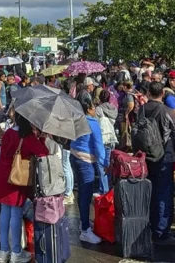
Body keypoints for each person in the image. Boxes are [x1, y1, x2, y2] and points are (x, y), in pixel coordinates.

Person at [0, 112, 48, 263]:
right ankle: (16, 251)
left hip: (2, 176)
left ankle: (3, 252)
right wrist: (42, 137)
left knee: (4, 213)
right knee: (15, 214)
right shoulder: (28, 137)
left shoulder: (9, 132)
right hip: (16, 179)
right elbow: (43, 153)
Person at [143, 82, 175, 244]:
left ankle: (153, 225)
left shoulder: (142, 109)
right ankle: (161, 230)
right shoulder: (166, 111)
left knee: (151, 190)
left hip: (146, 155)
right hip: (164, 156)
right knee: (164, 193)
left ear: (149, 92)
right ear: (162, 94)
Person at [71, 99, 106, 244]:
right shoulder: (92, 123)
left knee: (81, 194)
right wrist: (105, 163)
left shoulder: (75, 120)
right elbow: (99, 146)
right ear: (89, 109)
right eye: (93, 107)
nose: (94, 110)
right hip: (86, 161)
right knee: (86, 194)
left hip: (75, 157)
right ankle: (85, 230)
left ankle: (83, 222)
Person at [95, 89, 118, 194]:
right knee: (108, 163)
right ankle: (108, 186)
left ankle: (104, 189)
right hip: (111, 138)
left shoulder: (98, 109)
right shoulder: (114, 109)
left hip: (102, 139)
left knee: (101, 164)